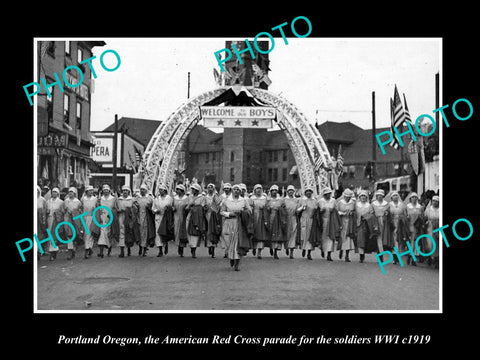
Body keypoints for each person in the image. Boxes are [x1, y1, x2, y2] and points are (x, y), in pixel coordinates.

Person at [220, 184, 252, 271]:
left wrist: (242, 212)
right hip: (228, 223)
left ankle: (237, 263)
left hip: (239, 224)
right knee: (228, 241)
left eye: (238, 190)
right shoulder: (226, 200)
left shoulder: (244, 201)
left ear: (240, 191)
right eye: (234, 189)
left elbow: (249, 211)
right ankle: (230, 257)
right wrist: (229, 214)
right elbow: (221, 211)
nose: (236, 191)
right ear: (232, 191)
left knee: (237, 243)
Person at [97, 184, 119, 258]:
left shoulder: (113, 199)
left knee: (109, 234)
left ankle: (109, 249)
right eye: (104, 190)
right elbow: (98, 208)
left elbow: (116, 208)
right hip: (102, 218)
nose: (106, 192)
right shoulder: (100, 199)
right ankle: (101, 252)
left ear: (109, 191)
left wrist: (112, 214)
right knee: (102, 234)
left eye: (107, 190)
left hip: (110, 218)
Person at [265, 184, 287, 259]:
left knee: (278, 234)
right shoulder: (268, 200)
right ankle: (271, 247)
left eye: (275, 190)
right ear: (270, 192)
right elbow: (266, 210)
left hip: (278, 219)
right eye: (272, 191)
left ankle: (276, 251)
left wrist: (280, 210)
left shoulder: (281, 200)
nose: (274, 192)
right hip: (271, 218)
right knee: (271, 233)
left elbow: (284, 208)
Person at [186, 183, 207, 258]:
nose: (193, 190)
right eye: (192, 189)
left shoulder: (202, 197)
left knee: (196, 232)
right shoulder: (190, 197)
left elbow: (202, 207)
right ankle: (191, 247)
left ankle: (194, 249)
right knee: (189, 231)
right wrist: (189, 206)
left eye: (194, 189)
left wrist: (195, 207)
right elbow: (187, 207)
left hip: (198, 217)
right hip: (190, 216)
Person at [152, 184, 173, 257]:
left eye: (162, 190)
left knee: (165, 232)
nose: (160, 191)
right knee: (158, 233)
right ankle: (160, 250)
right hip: (158, 217)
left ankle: (165, 244)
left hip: (166, 218)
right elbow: (153, 208)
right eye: (159, 190)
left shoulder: (169, 198)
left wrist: (168, 209)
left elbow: (172, 207)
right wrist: (155, 211)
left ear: (165, 190)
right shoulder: (156, 199)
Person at [297, 187, 318, 260]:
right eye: (307, 191)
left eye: (310, 191)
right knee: (303, 235)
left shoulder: (314, 201)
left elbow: (316, 209)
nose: (308, 193)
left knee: (310, 236)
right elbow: (297, 211)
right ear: (305, 193)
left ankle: (309, 252)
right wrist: (302, 208)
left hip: (311, 220)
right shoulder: (302, 200)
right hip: (303, 219)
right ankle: (303, 248)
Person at [371, 189, 392, 262]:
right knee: (378, 238)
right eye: (378, 195)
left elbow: (389, 212)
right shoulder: (373, 204)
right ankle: (380, 254)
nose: (379, 197)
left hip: (384, 222)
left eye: (381, 195)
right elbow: (371, 213)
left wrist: (387, 212)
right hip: (376, 221)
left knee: (383, 238)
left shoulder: (386, 204)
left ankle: (381, 251)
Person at [134, 184, 155, 257]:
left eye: (143, 189)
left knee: (145, 233)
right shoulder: (137, 198)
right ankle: (140, 247)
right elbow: (134, 206)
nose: (142, 191)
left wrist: (149, 208)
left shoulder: (150, 198)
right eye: (141, 189)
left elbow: (153, 207)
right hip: (139, 217)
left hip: (146, 218)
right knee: (139, 233)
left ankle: (145, 249)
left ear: (146, 190)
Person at [336, 188, 356, 262]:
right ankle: (341, 249)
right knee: (342, 237)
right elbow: (336, 211)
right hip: (342, 221)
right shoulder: (340, 202)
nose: (348, 198)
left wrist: (352, 213)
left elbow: (354, 211)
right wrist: (342, 213)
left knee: (348, 238)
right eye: (347, 196)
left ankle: (347, 255)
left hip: (350, 222)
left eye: (349, 197)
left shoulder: (353, 203)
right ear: (344, 196)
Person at [388, 191, 408, 264]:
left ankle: (398, 255)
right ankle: (394, 256)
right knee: (393, 239)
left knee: (399, 238)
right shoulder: (389, 205)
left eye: (396, 195)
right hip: (392, 223)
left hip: (400, 223)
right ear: (391, 198)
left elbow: (405, 214)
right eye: (394, 196)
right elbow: (387, 214)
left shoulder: (402, 205)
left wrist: (402, 218)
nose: (395, 197)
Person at [355, 190, 375, 263]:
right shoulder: (356, 205)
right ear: (359, 197)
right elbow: (355, 214)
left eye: (364, 196)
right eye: (362, 196)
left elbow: (371, 214)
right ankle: (361, 254)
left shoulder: (369, 205)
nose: (363, 197)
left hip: (367, 224)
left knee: (366, 239)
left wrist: (366, 217)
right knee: (360, 239)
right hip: (359, 223)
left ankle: (364, 252)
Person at [63, 187, 83, 260]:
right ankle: (70, 251)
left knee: (74, 234)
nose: (70, 194)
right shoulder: (66, 201)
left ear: (74, 193)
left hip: (75, 220)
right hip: (67, 219)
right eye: (69, 192)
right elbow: (63, 209)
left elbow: (80, 211)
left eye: (72, 192)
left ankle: (74, 247)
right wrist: (66, 210)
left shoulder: (78, 202)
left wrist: (75, 212)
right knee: (68, 234)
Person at [249, 184, 268, 259]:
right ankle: (254, 247)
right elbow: (249, 208)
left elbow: (266, 208)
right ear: (254, 190)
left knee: (261, 234)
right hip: (253, 217)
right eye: (257, 189)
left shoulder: (264, 198)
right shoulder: (252, 198)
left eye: (260, 188)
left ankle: (259, 252)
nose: (259, 190)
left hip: (262, 217)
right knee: (254, 233)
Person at [46, 187, 65, 261]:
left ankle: (53, 251)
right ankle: (51, 251)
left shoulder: (60, 202)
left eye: (55, 192)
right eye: (53, 192)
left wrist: (57, 214)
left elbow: (62, 212)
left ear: (58, 193)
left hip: (57, 220)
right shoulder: (48, 201)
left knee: (55, 235)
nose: (54, 194)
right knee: (49, 235)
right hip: (49, 219)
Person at [318, 187, 337, 261]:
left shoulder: (333, 201)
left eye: (329, 194)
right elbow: (318, 212)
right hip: (323, 220)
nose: (328, 195)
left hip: (331, 221)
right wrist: (321, 211)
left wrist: (333, 210)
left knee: (331, 237)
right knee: (323, 236)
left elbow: (336, 209)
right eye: (326, 194)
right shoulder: (321, 201)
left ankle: (329, 254)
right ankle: (322, 249)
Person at [117, 185, 136, 258]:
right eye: (124, 190)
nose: (125, 192)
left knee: (128, 232)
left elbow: (135, 209)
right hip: (121, 217)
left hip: (129, 218)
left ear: (128, 192)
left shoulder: (132, 200)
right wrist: (119, 210)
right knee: (121, 232)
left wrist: (129, 210)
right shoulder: (119, 200)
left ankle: (128, 249)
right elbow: (116, 208)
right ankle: (122, 251)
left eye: (126, 190)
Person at [405, 192, 424, 266]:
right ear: (410, 199)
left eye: (415, 197)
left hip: (417, 227)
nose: (414, 199)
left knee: (416, 242)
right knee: (410, 241)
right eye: (413, 197)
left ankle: (413, 257)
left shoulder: (420, 207)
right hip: (409, 225)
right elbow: (405, 216)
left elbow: (422, 216)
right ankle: (410, 256)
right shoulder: (407, 207)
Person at [204, 183, 222, 258]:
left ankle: (213, 247)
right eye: (209, 187)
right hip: (207, 215)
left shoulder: (216, 196)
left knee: (213, 231)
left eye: (212, 187)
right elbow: (203, 205)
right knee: (208, 231)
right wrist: (205, 208)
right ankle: (209, 245)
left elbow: (219, 205)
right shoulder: (205, 197)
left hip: (214, 216)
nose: (210, 189)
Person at [80, 185, 97, 259]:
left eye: (92, 191)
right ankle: (89, 248)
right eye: (89, 191)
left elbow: (97, 209)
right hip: (84, 218)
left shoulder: (95, 199)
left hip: (92, 218)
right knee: (85, 234)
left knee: (90, 234)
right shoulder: (83, 199)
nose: (91, 192)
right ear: (86, 192)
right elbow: (80, 208)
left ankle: (87, 249)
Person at [173, 184, 189, 257]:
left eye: (178, 190)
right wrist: (173, 208)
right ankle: (178, 245)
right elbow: (172, 206)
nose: (177, 191)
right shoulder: (175, 198)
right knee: (176, 231)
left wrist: (186, 208)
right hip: (176, 217)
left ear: (182, 191)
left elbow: (188, 206)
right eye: (176, 189)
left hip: (184, 217)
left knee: (182, 231)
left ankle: (182, 247)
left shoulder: (186, 198)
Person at [424, 195, 439, 267]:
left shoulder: (440, 209)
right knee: (429, 242)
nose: (435, 203)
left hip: (438, 227)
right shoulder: (428, 209)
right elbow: (425, 217)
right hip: (429, 227)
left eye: (436, 201)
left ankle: (436, 259)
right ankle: (429, 257)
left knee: (437, 243)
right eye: (433, 201)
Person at [37, 186, 47, 260]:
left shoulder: (42, 200)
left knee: (40, 235)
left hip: (40, 219)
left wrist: (43, 220)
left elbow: (44, 210)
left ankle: (39, 251)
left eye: (37, 191)